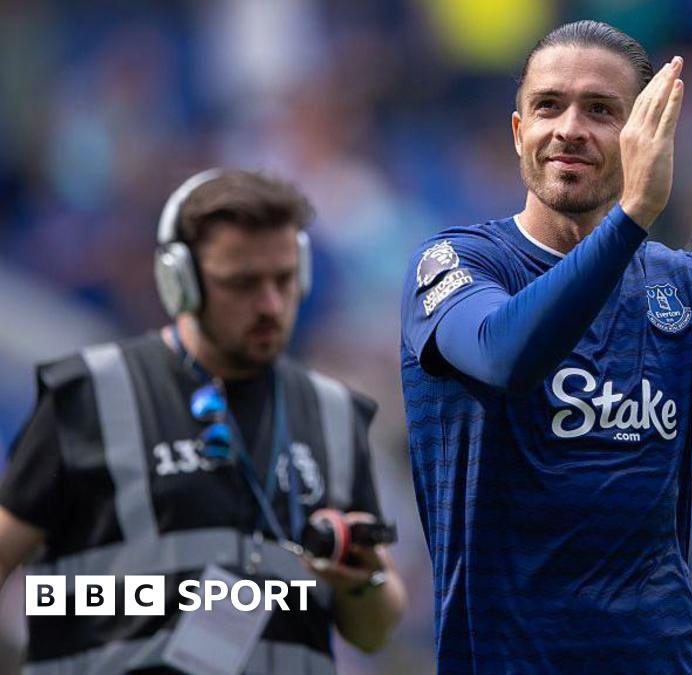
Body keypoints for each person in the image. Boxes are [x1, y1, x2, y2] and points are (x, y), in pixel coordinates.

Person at [399, 19, 692, 674]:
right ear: (519, 130)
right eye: (548, 106)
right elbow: (507, 357)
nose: (570, 128)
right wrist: (633, 216)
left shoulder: (680, 283)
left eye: (601, 110)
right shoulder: (458, 263)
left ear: (643, 138)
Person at [0, 170, 406, 673]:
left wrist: (360, 583)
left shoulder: (336, 415)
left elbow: (374, 629)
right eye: (241, 283)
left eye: (283, 279)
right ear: (180, 282)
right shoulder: (91, 394)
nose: (270, 305)